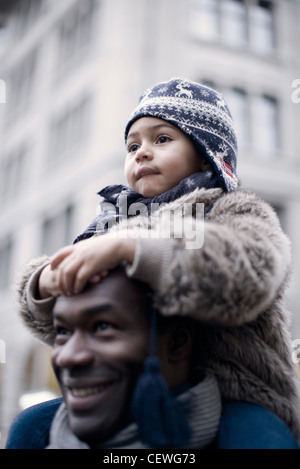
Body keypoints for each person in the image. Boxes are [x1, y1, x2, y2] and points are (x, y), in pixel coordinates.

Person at [16, 77, 300, 446]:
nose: (141, 153)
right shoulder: (109, 225)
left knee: (260, 436)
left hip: (234, 391)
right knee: (30, 427)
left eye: (162, 139)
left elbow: (252, 267)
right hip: (126, 388)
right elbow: (64, 317)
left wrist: (138, 249)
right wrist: (43, 283)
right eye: (132, 145)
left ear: (205, 153)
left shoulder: (228, 209)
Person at [7, 267, 222, 449]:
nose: (68, 357)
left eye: (103, 327)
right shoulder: (34, 433)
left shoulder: (246, 434)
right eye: (63, 331)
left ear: (176, 343)